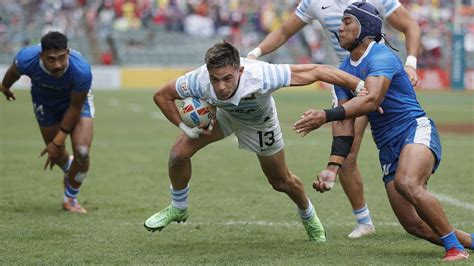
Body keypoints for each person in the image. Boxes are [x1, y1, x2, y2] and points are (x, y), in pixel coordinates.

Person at [293, 2, 473, 261]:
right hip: (387, 147)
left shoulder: (381, 56)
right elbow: (346, 122)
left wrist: (324, 115)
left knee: (407, 182)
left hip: (414, 130)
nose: (339, 28)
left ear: (365, 29)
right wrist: (332, 168)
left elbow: (371, 100)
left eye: (346, 23)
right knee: (412, 224)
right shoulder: (345, 69)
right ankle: (469, 243)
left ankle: (455, 250)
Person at [143, 41, 366, 242]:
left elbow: (318, 70)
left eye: (227, 78)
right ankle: (178, 207)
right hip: (223, 116)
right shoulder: (198, 79)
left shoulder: (262, 75)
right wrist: (184, 128)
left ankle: (308, 214)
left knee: (281, 182)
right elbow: (161, 95)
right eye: (215, 79)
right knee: (178, 153)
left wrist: (360, 87)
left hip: (261, 123)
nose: (220, 86)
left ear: (240, 70)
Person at [247, 0, 421, 239]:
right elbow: (284, 31)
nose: (341, 27)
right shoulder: (314, 3)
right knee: (345, 152)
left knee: (407, 144)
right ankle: (364, 221)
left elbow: (410, 25)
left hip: (382, 75)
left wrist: (411, 63)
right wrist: (254, 54)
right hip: (345, 80)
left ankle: (417, 210)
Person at [0, 31, 94, 214]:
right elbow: (13, 72)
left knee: (82, 152)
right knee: (57, 155)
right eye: (51, 59)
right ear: (41, 55)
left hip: (76, 102)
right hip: (45, 102)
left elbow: (74, 109)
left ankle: (70, 198)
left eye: (61, 58)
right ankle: (69, 167)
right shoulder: (27, 58)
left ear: (68, 52)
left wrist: (58, 140)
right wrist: (5, 88)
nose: (57, 65)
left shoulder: (81, 70)